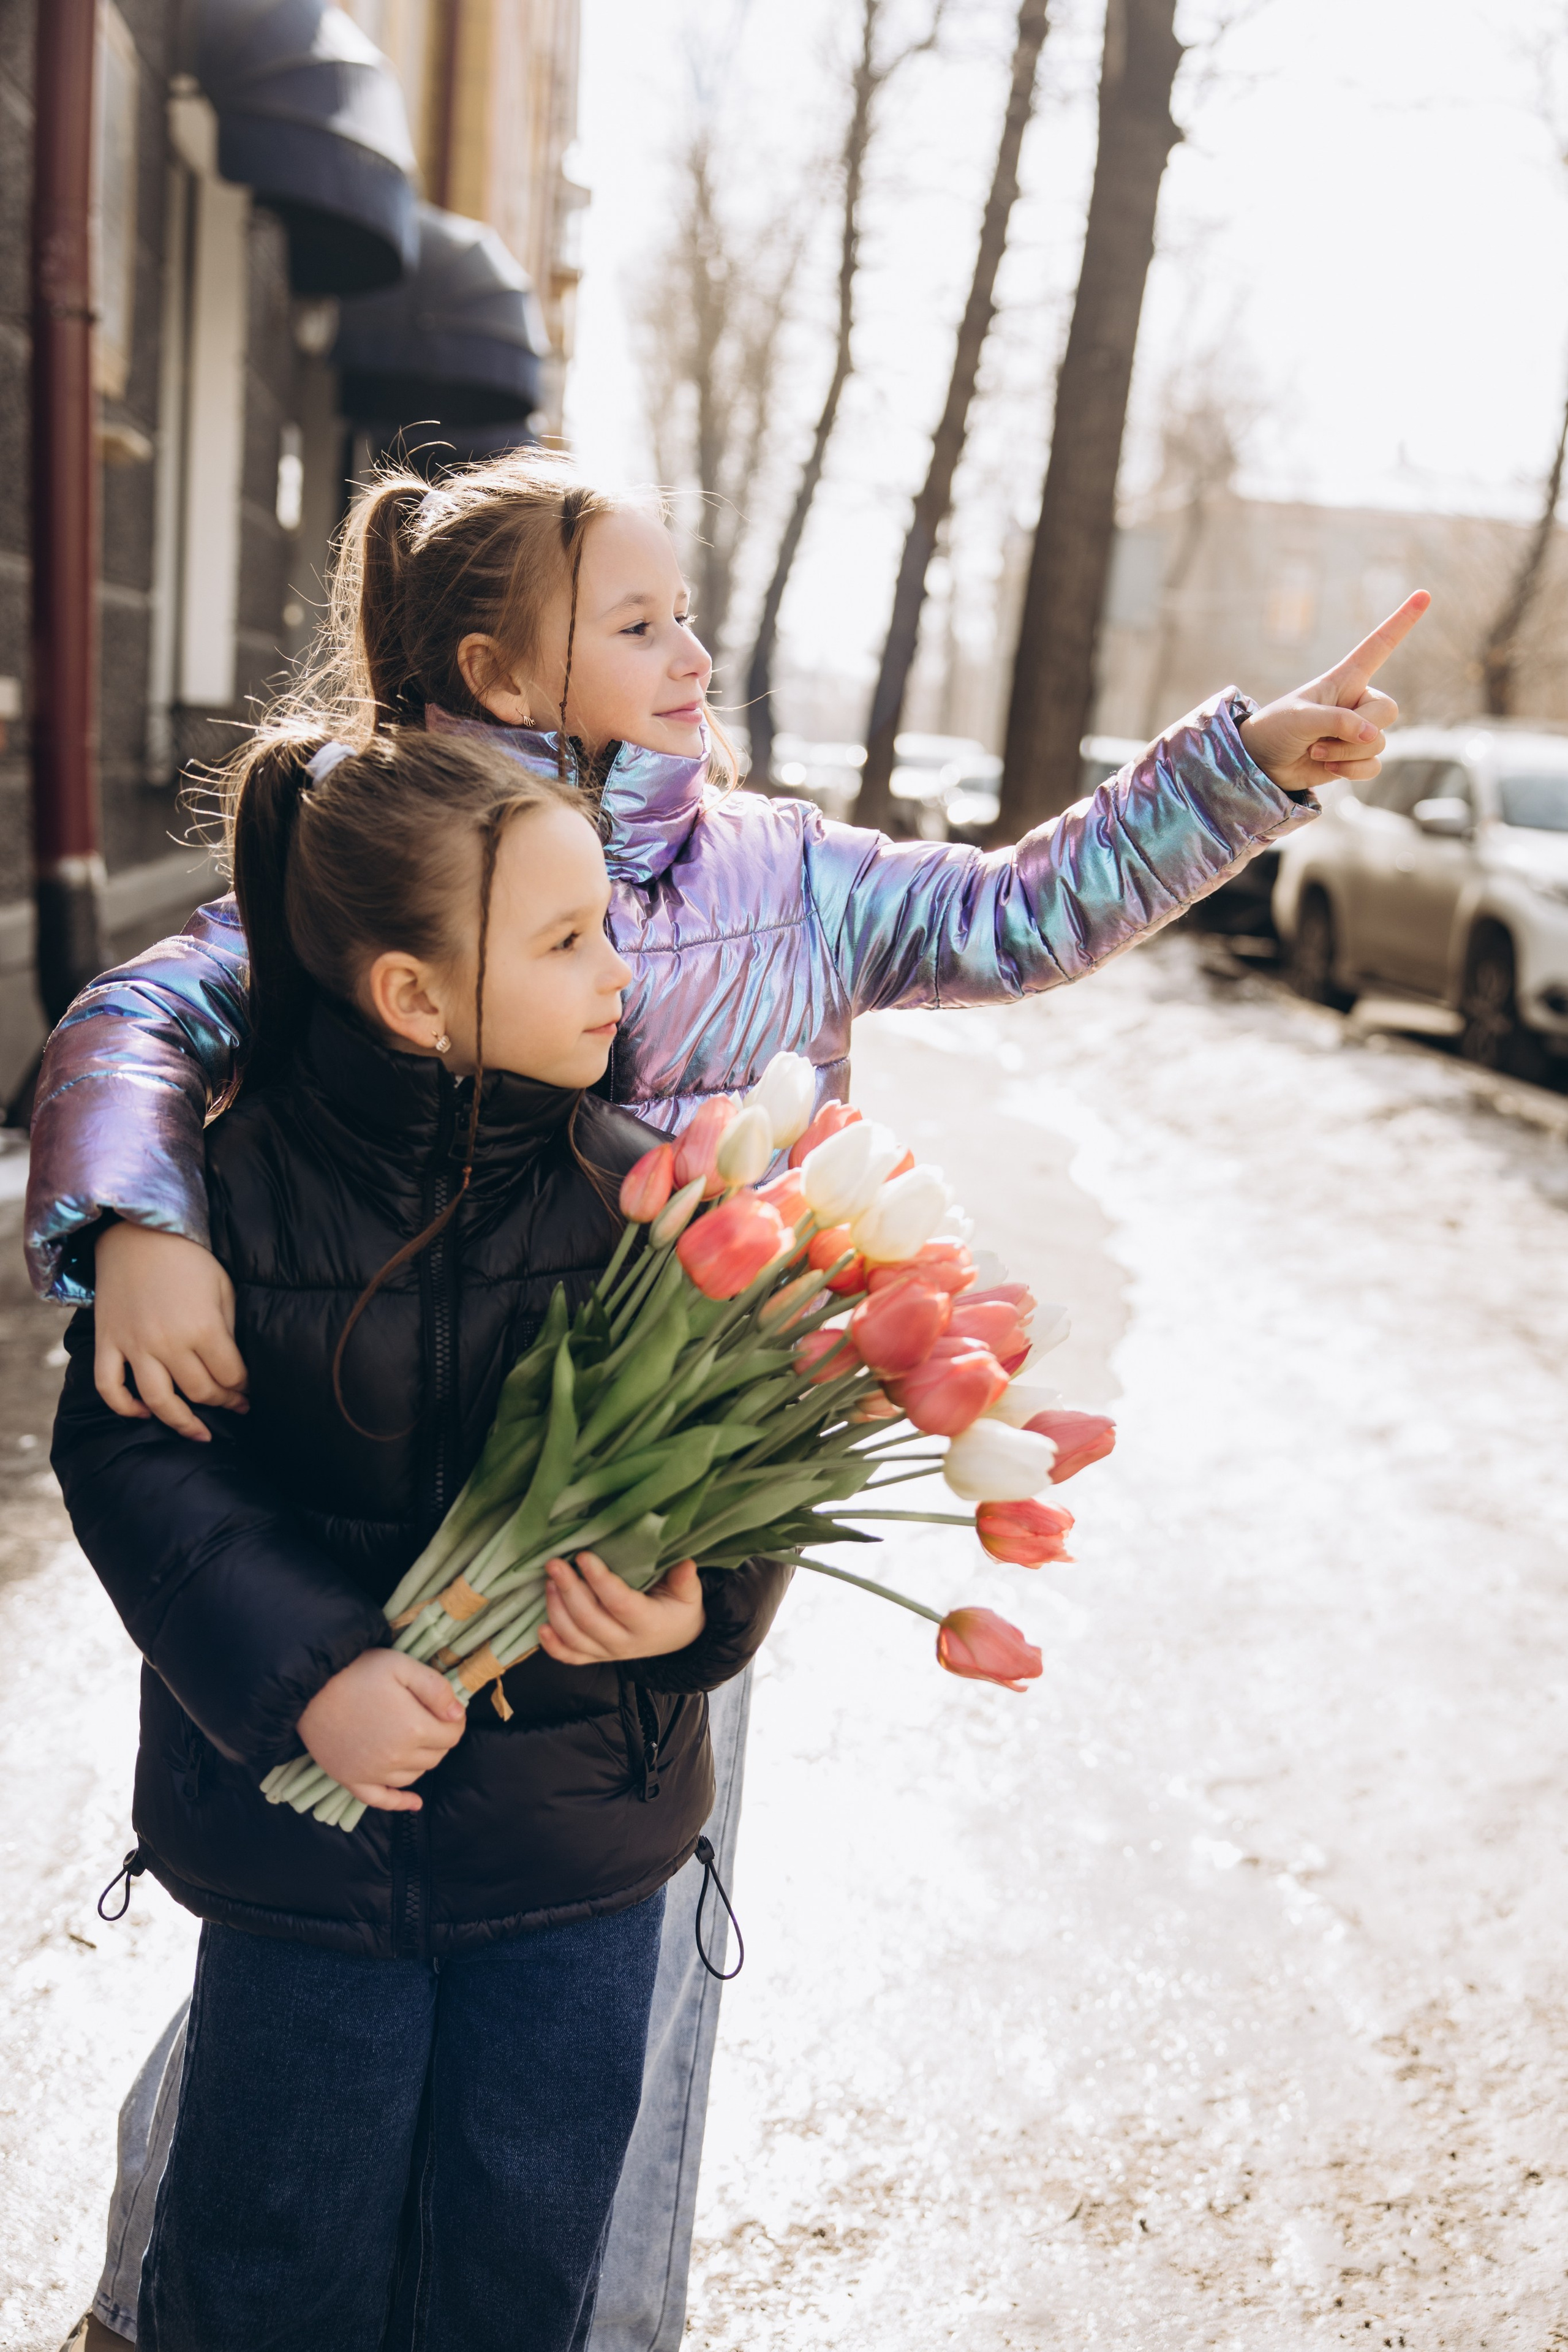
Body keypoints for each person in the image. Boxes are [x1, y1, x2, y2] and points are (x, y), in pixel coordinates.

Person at [27, 448, 1426, 2351]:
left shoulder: (786, 874)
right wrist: (135, 1219)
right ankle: (172, 2300)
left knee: (613, 1959)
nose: (697, 649)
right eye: (639, 620)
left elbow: (1025, 907)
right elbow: (140, 1019)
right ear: (503, 673)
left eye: (689, 612)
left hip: (646, 1520)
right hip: (369, 1493)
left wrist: (1244, 765)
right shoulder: (377, 857)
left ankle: (591, 2316)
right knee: (308, 1964)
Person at [51, 722, 791, 2352]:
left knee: (517, 2267)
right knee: (271, 2252)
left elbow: (737, 1484)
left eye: (607, 923)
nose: (618, 969)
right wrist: (311, 1674)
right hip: (309, 1864)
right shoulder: (222, 1201)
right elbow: (135, 1462)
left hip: (578, 1870)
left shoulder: (642, 1201)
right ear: (413, 996)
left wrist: (692, 1619)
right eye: (565, 940)